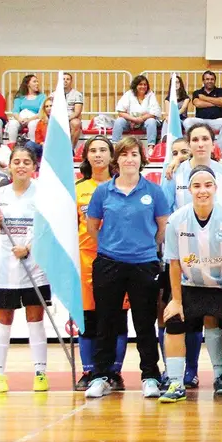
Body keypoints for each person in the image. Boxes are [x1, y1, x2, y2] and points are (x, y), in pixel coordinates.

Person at [84, 136, 169, 399]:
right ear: (116, 160)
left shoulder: (154, 192)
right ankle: (100, 376)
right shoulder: (102, 192)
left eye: (134, 154)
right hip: (108, 264)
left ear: (141, 159)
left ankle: (150, 376)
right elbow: (92, 227)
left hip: (144, 264)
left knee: (144, 323)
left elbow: (162, 228)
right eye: (124, 154)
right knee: (106, 321)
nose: (129, 159)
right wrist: (111, 248)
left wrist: (143, 249)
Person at [160, 165, 222, 404]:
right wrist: (176, 300)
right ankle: (176, 383)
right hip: (191, 286)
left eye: (208, 185)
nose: (203, 191)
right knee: (173, 320)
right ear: (189, 189)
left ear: (216, 188)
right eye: (197, 186)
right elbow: (174, 262)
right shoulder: (176, 220)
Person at [0, 146, 50, 393]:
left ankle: (40, 372)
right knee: (4, 319)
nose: (21, 166)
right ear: (9, 166)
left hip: (35, 267)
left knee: (36, 318)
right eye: (16, 162)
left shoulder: (42, 194)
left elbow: (46, 230)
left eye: (26, 162)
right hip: (5, 268)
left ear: (34, 167)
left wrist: (29, 248)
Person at [74, 135, 131, 391]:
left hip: (118, 259)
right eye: (93, 150)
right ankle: (89, 371)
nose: (98, 154)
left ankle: (113, 372)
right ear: (86, 156)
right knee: (88, 318)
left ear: (112, 156)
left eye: (103, 150)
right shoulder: (77, 189)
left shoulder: (123, 186)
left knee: (117, 317)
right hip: (86, 259)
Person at [184, 71, 222, 151]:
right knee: (187, 121)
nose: (210, 81)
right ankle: (196, 144)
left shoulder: (220, 91)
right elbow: (198, 104)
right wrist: (216, 102)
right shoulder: (197, 92)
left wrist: (204, 98)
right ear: (203, 81)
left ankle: (217, 150)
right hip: (201, 121)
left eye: (212, 79)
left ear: (214, 81)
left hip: (217, 121)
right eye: (207, 79)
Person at [113, 75, 161, 146]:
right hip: (130, 122)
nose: (143, 86)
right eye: (140, 84)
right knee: (119, 121)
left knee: (151, 121)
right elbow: (120, 112)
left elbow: (154, 113)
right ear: (135, 85)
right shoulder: (129, 94)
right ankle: (114, 146)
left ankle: (151, 146)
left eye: (145, 84)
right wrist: (134, 119)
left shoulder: (150, 94)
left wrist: (141, 119)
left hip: (144, 123)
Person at [6, 74, 46, 142]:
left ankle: (32, 146)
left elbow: (41, 112)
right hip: (21, 118)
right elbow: (15, 111)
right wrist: (20, 120)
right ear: (28, 84)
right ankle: (11, 146)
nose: (37, 83)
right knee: (13, 124)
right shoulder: (20, 97)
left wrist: (29, 120)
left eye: (37, 81)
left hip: (34, 118)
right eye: (34, 81)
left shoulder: (42, 96)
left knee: (32, 124)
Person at [56, 72, 84, 148]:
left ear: (71, 81)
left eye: (68, 79)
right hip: (57, 118)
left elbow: (77, 112)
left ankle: (70, 149)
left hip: (71, 117)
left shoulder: (77, 94)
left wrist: (66, 119)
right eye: (63, 79)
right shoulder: (54, 94)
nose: (65, 81)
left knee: (76, 123)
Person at [161, 75, 189, 141]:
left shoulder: (186, 98)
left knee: (172, 120)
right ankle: (164, 139)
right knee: (167, 120)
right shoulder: (167, 99)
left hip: (182, 119)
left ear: (180, 84)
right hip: (171, 119)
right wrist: (169, 117)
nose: (176, 84)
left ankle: (179, 139)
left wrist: (173, 116)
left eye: (177, 82)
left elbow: (183, 109)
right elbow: (168, 112)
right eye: (173, 83)